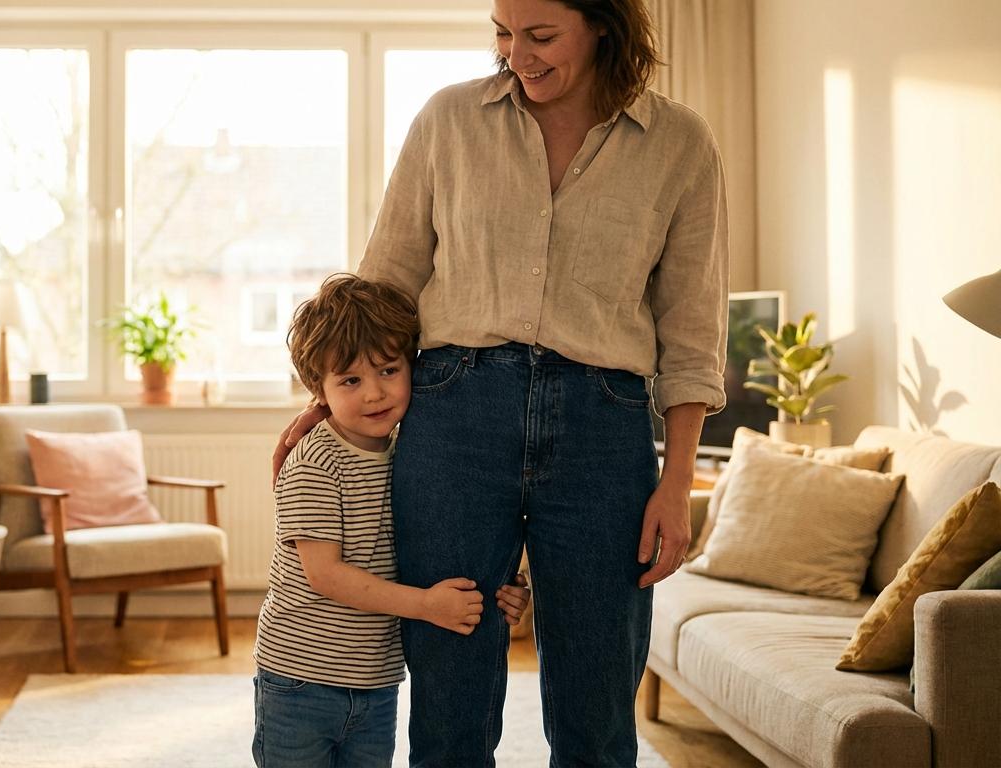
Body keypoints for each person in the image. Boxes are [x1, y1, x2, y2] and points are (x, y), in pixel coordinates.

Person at [273, 0, 729, 765]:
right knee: (450, 696)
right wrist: (328, 402)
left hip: (603, 425)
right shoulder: (449, 120)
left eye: (542, 35)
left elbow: (692, 328)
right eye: (503, 33)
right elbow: (385, 283)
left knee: (598, 703)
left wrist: (676, 479)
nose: (518, 54)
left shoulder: (679, 143)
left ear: (604, 25)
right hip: (456, 415)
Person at [254, 274, 532, 767]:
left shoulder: (411, 453)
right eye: (350, 380)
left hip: (377, 684)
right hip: (300, 681)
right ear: (317, 388)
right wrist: (427, 605)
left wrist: (504, 584)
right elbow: (326, 575)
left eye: (388, 370)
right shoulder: (315, 463)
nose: (374, 394)